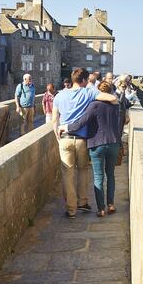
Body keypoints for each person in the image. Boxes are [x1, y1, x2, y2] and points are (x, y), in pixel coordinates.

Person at [52, 68, 118, 219]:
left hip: (65, 139)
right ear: (83, 81)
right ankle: (83, 202)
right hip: (82, 140)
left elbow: (54, 120)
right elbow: (112, 99)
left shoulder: (59, 95)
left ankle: (71, 209)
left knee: (67, 174)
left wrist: (57, 135)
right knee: (83, 171)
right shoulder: (88, 93)